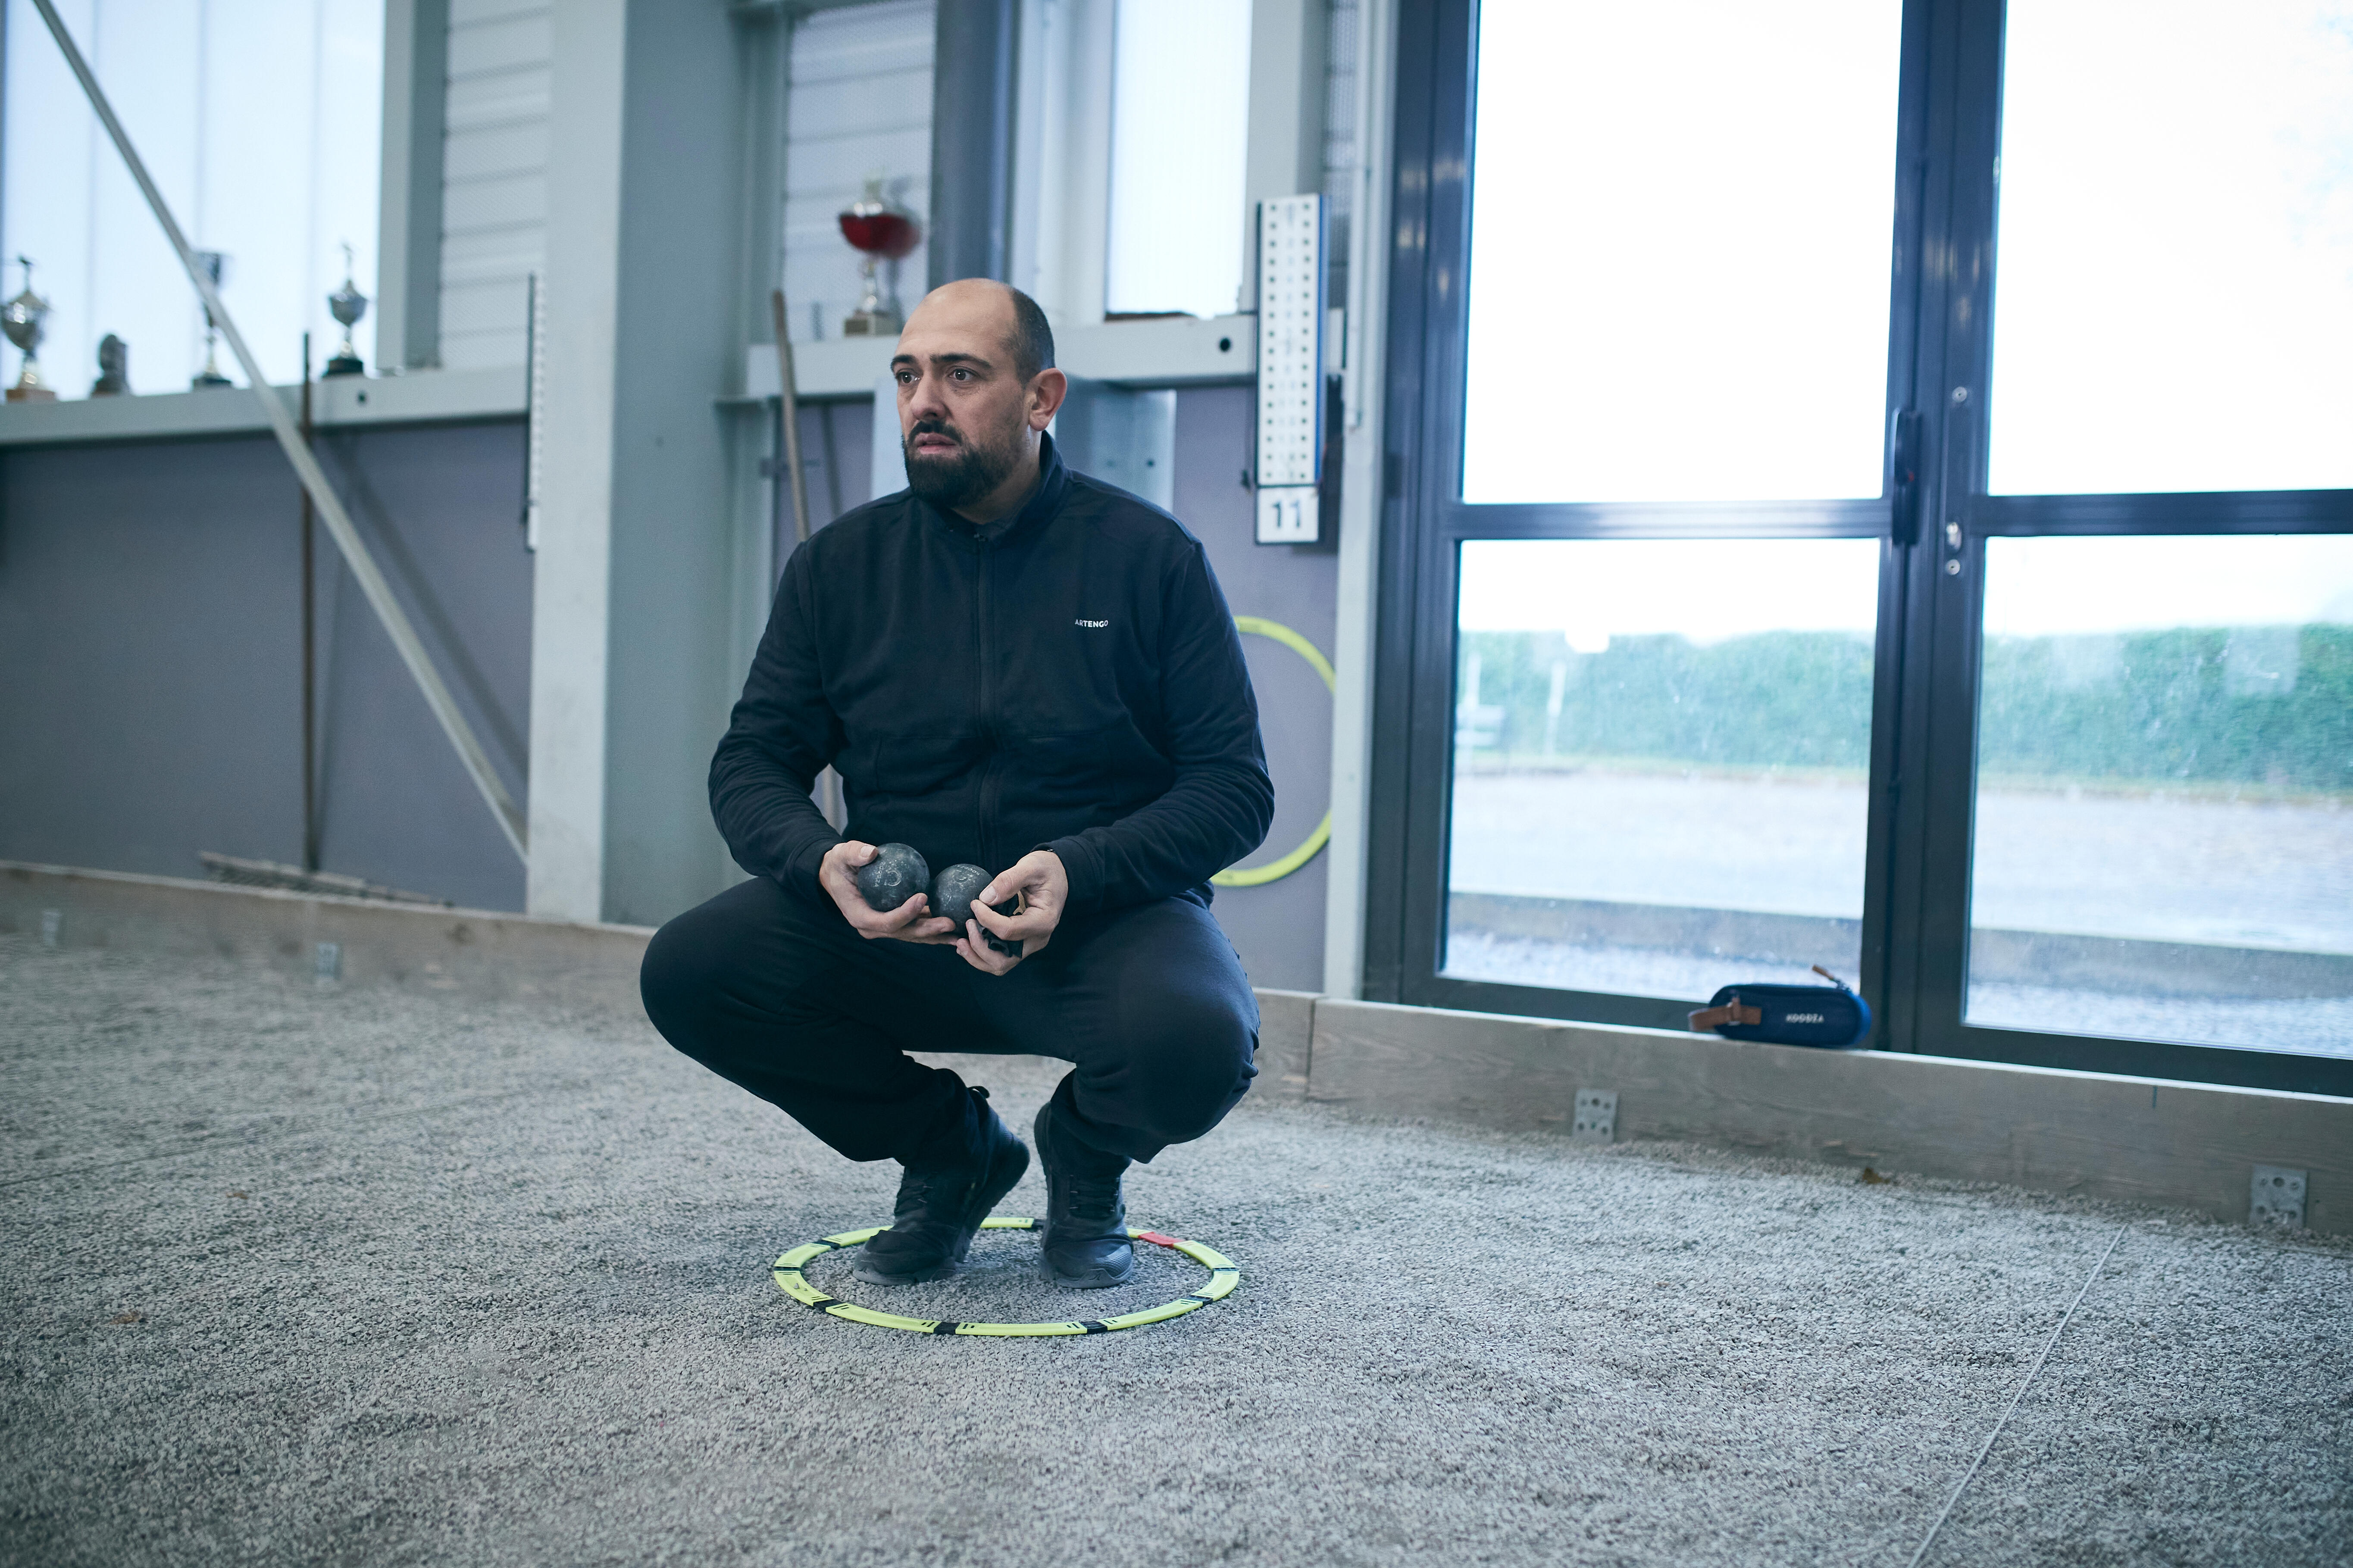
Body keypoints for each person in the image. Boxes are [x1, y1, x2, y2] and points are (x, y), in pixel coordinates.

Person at [640, 279, 1273, 1290]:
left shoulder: (1149, 559)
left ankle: (1085, 1153)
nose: (923, 400)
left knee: (1197, 1042)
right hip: (900, 931)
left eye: (961, 374)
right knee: (689, 971)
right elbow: (751, 761)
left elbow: (1234, 788)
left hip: (1092, 923)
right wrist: (817, 863)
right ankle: (950, 1147)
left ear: (1041, 396)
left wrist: (1082, 868)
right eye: (907, 375)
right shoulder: (837, 568)